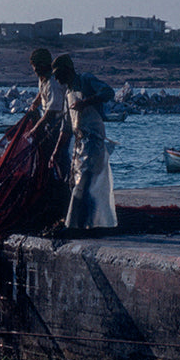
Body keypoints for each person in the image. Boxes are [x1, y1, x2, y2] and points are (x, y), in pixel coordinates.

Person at [52, 54, 117, 229]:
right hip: (79, 142)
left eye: (58, 74)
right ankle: (86, 223)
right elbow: (66, 128)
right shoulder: (68, 93)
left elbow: (108, 92)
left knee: (84, 182)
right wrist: (55, 152)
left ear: (68, 70)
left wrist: (86, 102)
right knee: (75, 182)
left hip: (93, 139)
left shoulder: (86, 80)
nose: (56, 79)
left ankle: (76, 225)